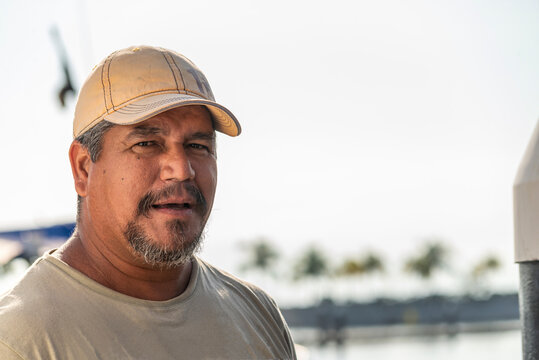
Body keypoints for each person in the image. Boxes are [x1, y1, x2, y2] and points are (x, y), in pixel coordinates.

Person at [0, 45, 296, 360]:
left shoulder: (258, 315)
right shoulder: (19, 341)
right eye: (147, 143)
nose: (182, 169)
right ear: (84, 167)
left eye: (197, 145)